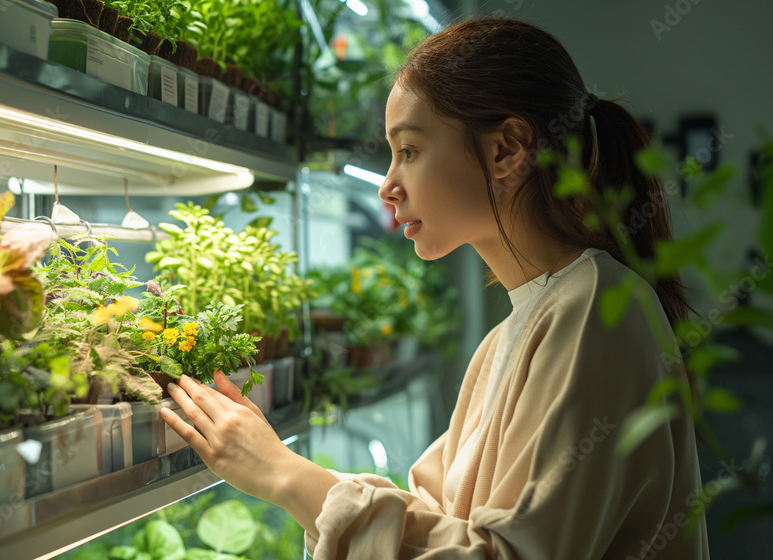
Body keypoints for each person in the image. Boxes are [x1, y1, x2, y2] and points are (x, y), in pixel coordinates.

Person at [159, 17, 709, 560]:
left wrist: (283, 475)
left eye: (410, 150)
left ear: (506, 149)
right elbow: (434, 514)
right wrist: (276, 463)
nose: (387, 186)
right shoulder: (513, 334)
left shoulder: (596, 306)